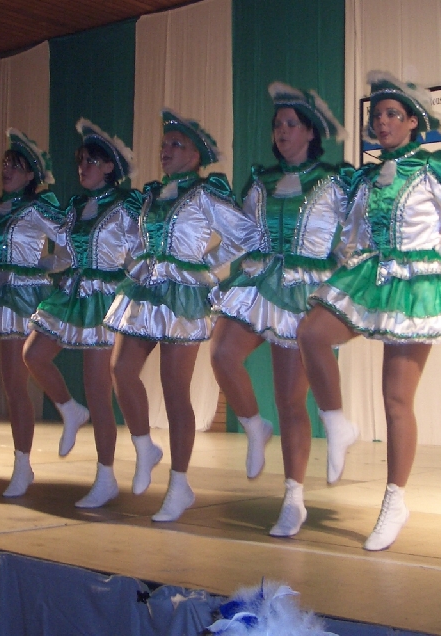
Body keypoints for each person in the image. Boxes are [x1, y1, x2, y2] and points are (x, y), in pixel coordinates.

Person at [297, 71, 441, 551]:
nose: (381, 122)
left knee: (396, 399)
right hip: (369, 275)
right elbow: (352, 232)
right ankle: (337, 423)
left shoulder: (431, 168)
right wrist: (346, 256)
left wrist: (432, 257)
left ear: (412, 122)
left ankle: (394, 500)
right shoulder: (365, 178)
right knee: (311, 333)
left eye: (391, 115)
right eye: (376, 115)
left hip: (413, 288)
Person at [105, 110, 261, 522]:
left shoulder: (206, 193)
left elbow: (246, 235)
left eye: (177, 144)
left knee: (176, 390)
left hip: (184, 296)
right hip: (145, 289)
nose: (166, 150)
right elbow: (133, 238)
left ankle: (180, 484)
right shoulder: (151, 194)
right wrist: (135, 260)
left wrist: (205, 263)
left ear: (196, 156)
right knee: (120, 370)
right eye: (164, 144)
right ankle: (144, 447)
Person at [211, 82, 351, 537]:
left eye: (291, 124)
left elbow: (356, 233)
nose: (282, 131)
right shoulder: (261, 182)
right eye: (277, 125)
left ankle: (294, 497)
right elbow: (241, 236)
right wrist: (202, 267)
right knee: (222, 354)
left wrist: (346, 272)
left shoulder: (333, 181)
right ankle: (254, 426)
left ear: (311, 131)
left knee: (292, 400)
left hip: (302, 290)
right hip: (258, 281)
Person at [24, 119, 140, 508]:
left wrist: (138, 288)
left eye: (91, 161)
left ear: (109, 167)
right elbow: (63, 255)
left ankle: (106, 476)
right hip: (72, 293)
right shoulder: (75, 206)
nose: (83, 167)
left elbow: (140, 252)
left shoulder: (124, 206)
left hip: (104, 299)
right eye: (80, 161)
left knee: (98, 390)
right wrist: (38, 265)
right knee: (33, 354)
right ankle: (69, 409)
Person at [0, 129, 67, 498]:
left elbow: (70, 246)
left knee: (13, 385)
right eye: (5, 163)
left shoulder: (37, 207)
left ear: (31, 175)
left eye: (16, 166)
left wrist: (42, 267)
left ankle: (23, 465)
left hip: (22, 297)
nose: (7, 169)